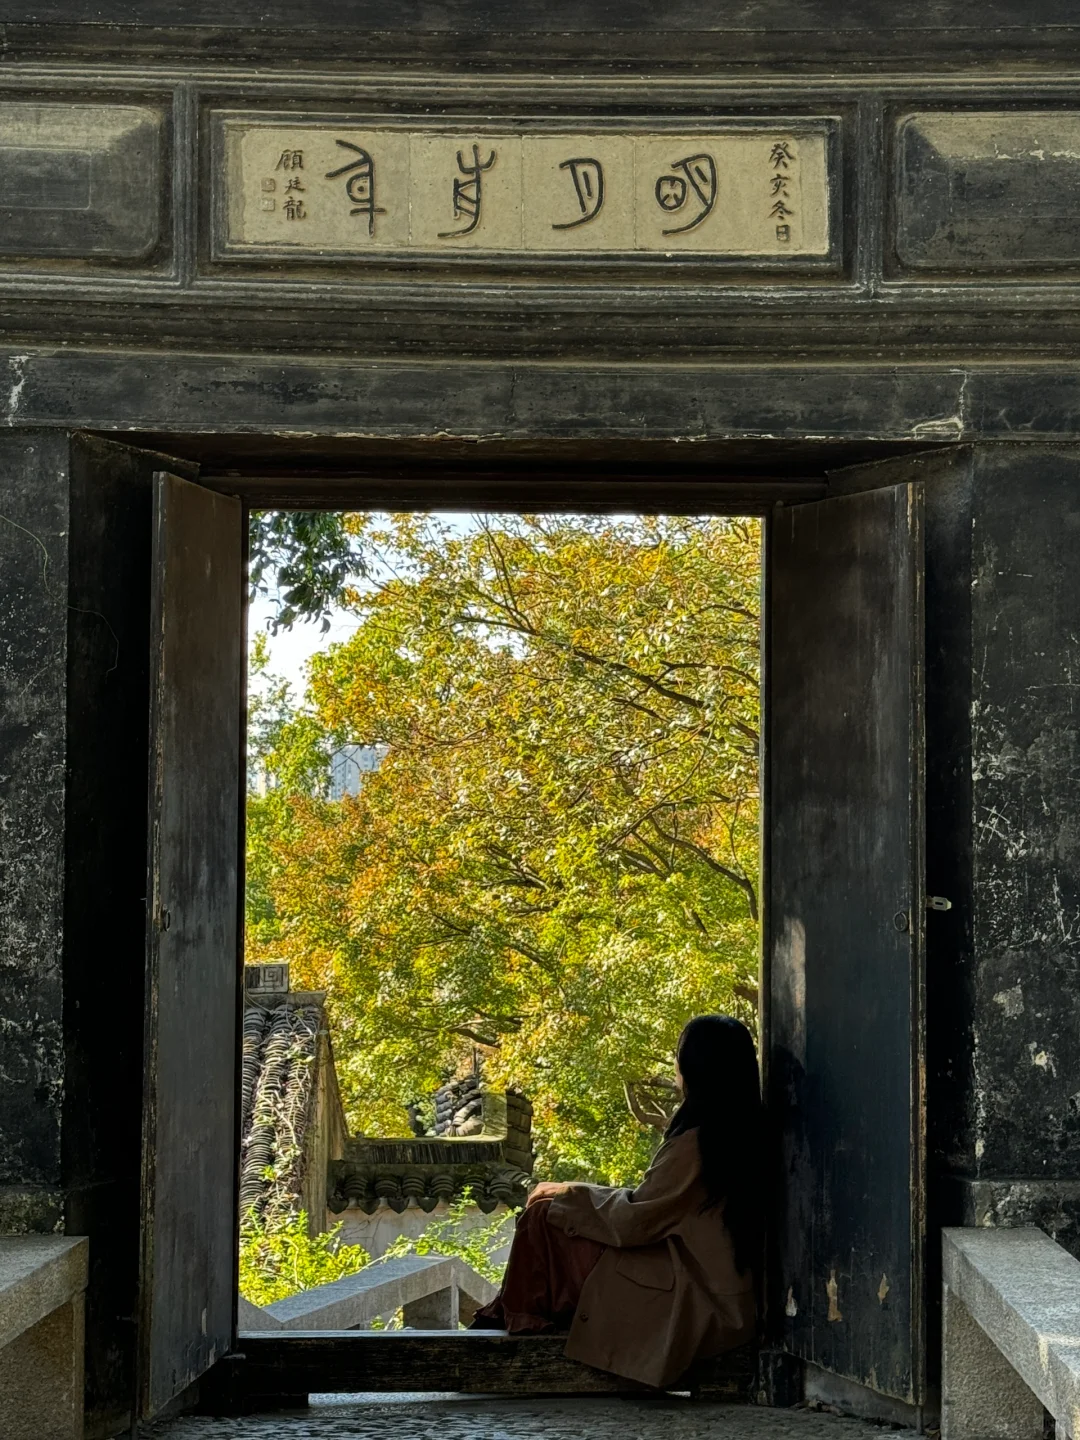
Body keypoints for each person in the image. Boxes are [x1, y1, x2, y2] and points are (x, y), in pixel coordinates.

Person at [470, 1013, 763, 1388]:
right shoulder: (741, 1130)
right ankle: (511, 1318)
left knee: (542, 1217)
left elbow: (633, 1221)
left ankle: (513, 1332)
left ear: (693, 1067)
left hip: (704, 1299)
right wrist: (573, 1193)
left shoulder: (699, 1144)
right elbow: (651, 1206)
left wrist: (567, 1194)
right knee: (553, 1211)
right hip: (723, 1293)